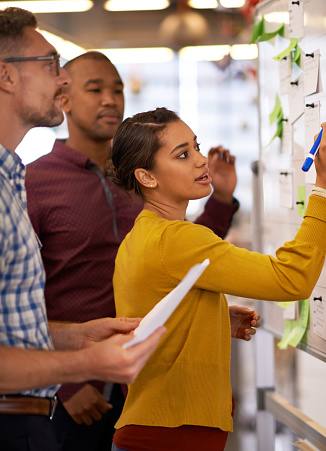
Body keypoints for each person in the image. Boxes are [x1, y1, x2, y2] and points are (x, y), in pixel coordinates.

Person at [25, 51, 260, 450]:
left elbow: (188, 259)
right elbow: (22, 289)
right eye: (95, 89)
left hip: (151, 379)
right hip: (80, 388)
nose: (110, 99)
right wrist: (67, 383)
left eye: (117, 89)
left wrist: (220, 199)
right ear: (63, 98)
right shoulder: (36, 180)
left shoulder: (141, 178)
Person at [106, 107, 326, 451]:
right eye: (183, 154)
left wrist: (211, 318)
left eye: (196, 146)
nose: (202, 160)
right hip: (170, 437)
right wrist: (325, 188)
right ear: (147, 177)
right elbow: (291, 279)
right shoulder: (177, 239)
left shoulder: (141, 236)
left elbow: (152, 322)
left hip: (155, 430)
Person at [0, 8, 166, 451]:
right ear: (6, 76)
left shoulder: (10, 178)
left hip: (66, 406)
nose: (61, 81)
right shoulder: (31, 180)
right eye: (51, 65)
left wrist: (78, 336)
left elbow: (16, 321)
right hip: (37, 411)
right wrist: (77, 371)